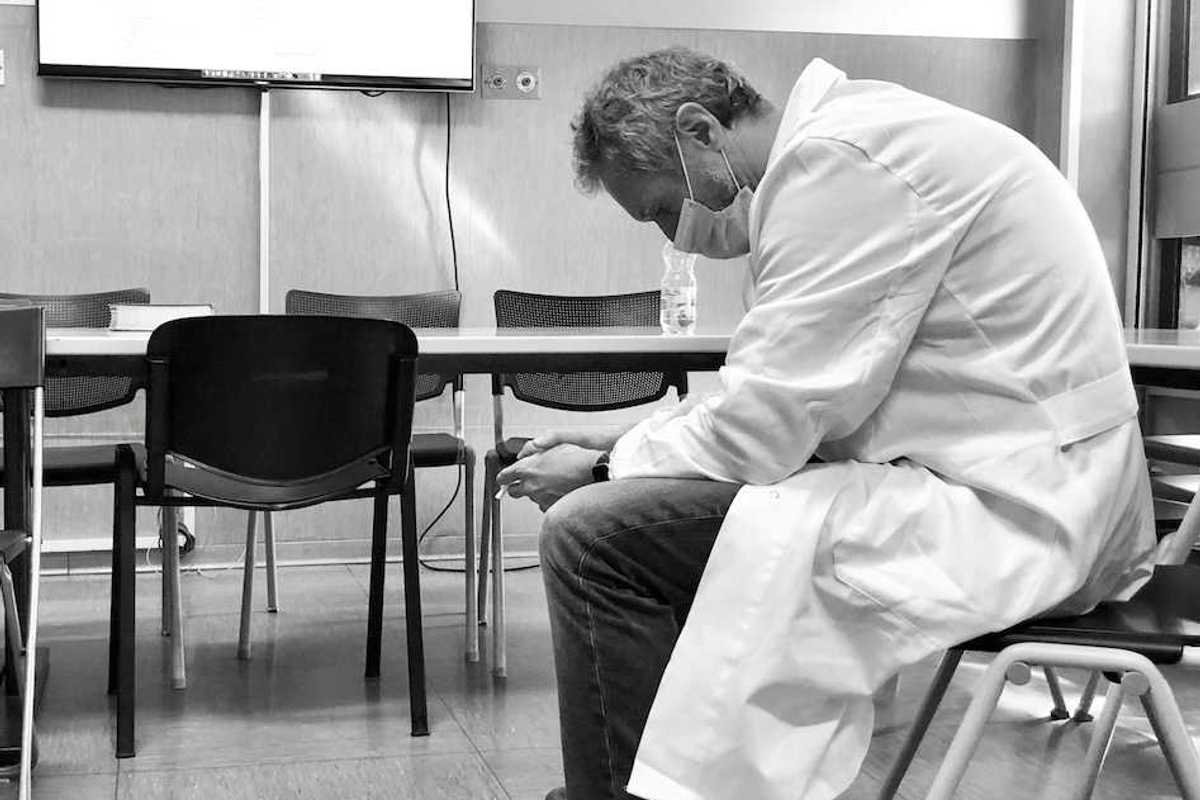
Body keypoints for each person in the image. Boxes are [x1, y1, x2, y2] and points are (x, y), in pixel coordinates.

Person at [495, 47, 1157, 800]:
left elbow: (762, 431)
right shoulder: (855, 142)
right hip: (1021, 480)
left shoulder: (839, 168)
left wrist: (599, 471)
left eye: (660, 208)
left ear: (699, 129)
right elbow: (776, 395)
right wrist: (616, 442)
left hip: (1020, 515)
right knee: (651, 519)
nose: (674, 236)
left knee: (593, 537)